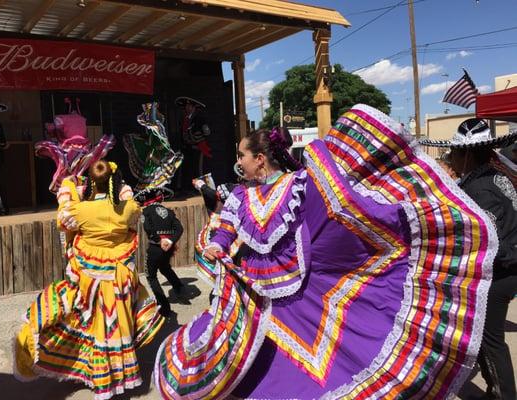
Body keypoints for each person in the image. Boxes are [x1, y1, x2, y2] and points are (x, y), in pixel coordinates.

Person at [153, 105, 495, 399]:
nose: (238, 161)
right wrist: (216, 246)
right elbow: (225, 229)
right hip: (255, 298)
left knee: (323, 371)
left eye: (242, 155)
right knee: (253, 370)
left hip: (305, 297)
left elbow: (338, 211)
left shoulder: (300, 184)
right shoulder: (240, 197)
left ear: (259, 159)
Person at [14, 160, 164, 400]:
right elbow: (132, 204)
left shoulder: (80, 211)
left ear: (92, 182)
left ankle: (98, 375)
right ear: (116, 182)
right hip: (120, 279)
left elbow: (63, 219)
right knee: (116, 328)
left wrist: (67, 186)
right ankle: (118, 374)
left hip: (90, 279)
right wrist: (121, 188)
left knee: (93, 327)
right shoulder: (128, 208)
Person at [423, 118, 517, 400]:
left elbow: (486, 242)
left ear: (467, 154)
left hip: (500, 271)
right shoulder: (495, 177)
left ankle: (505, 394)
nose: (451, 158)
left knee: (489, 341)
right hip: (509, 264)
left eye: (454, 153)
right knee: (485, 339)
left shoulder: (479, 190)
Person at [138, 187, 185, 317]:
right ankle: (179, 287)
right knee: (164, 268)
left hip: (155, 248)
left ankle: (164, 306)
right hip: (168, 248)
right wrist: (170, 241)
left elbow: (147, 228)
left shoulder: (146, 211)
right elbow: (179, 228)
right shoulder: (169, 212)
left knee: (151, 276)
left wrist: (159, 240)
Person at [175, 97, 212, 192]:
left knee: (198, 170)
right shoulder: (185, 119)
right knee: (188, 170)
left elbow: (207, 132)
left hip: (198, 148)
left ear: (194, 107)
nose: (187, 108)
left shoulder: (199, 118)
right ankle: (188, 189)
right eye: (186, 106)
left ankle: (201, 190)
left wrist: (196, 139)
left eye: (190, 106)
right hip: (187, 149)